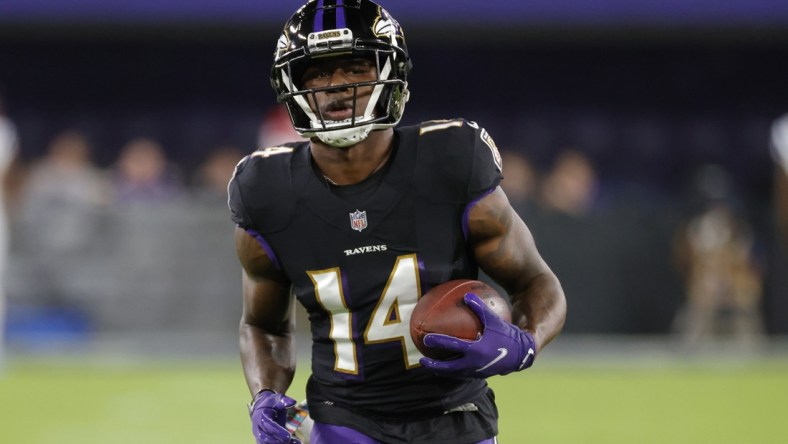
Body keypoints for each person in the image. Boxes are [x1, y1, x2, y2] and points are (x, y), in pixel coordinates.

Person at [227, 1, 567, 443]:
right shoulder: (265, 191)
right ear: (292, 83)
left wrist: (525, 342)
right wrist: (265, 395)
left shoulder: (451, 162)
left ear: (391, 75)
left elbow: (537, 281)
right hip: (341, 422)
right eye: (318, 73)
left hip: (456, 416)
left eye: (354, 68)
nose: (336, 87)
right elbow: (262, 324)